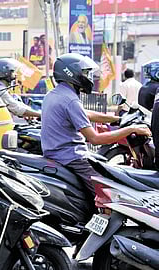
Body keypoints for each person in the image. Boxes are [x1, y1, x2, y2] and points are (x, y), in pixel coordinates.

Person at [41, 53, 151, 196]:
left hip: (55, 153)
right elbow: (96, 139)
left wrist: (116, 119)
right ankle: (104, 217)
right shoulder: (71, 100)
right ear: (72, 73)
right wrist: (131, 129)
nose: (88, 77)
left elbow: (86, 113)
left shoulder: (54, 95)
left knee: (102, 163)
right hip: (71, 157)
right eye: (85, 73)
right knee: (108, 195)